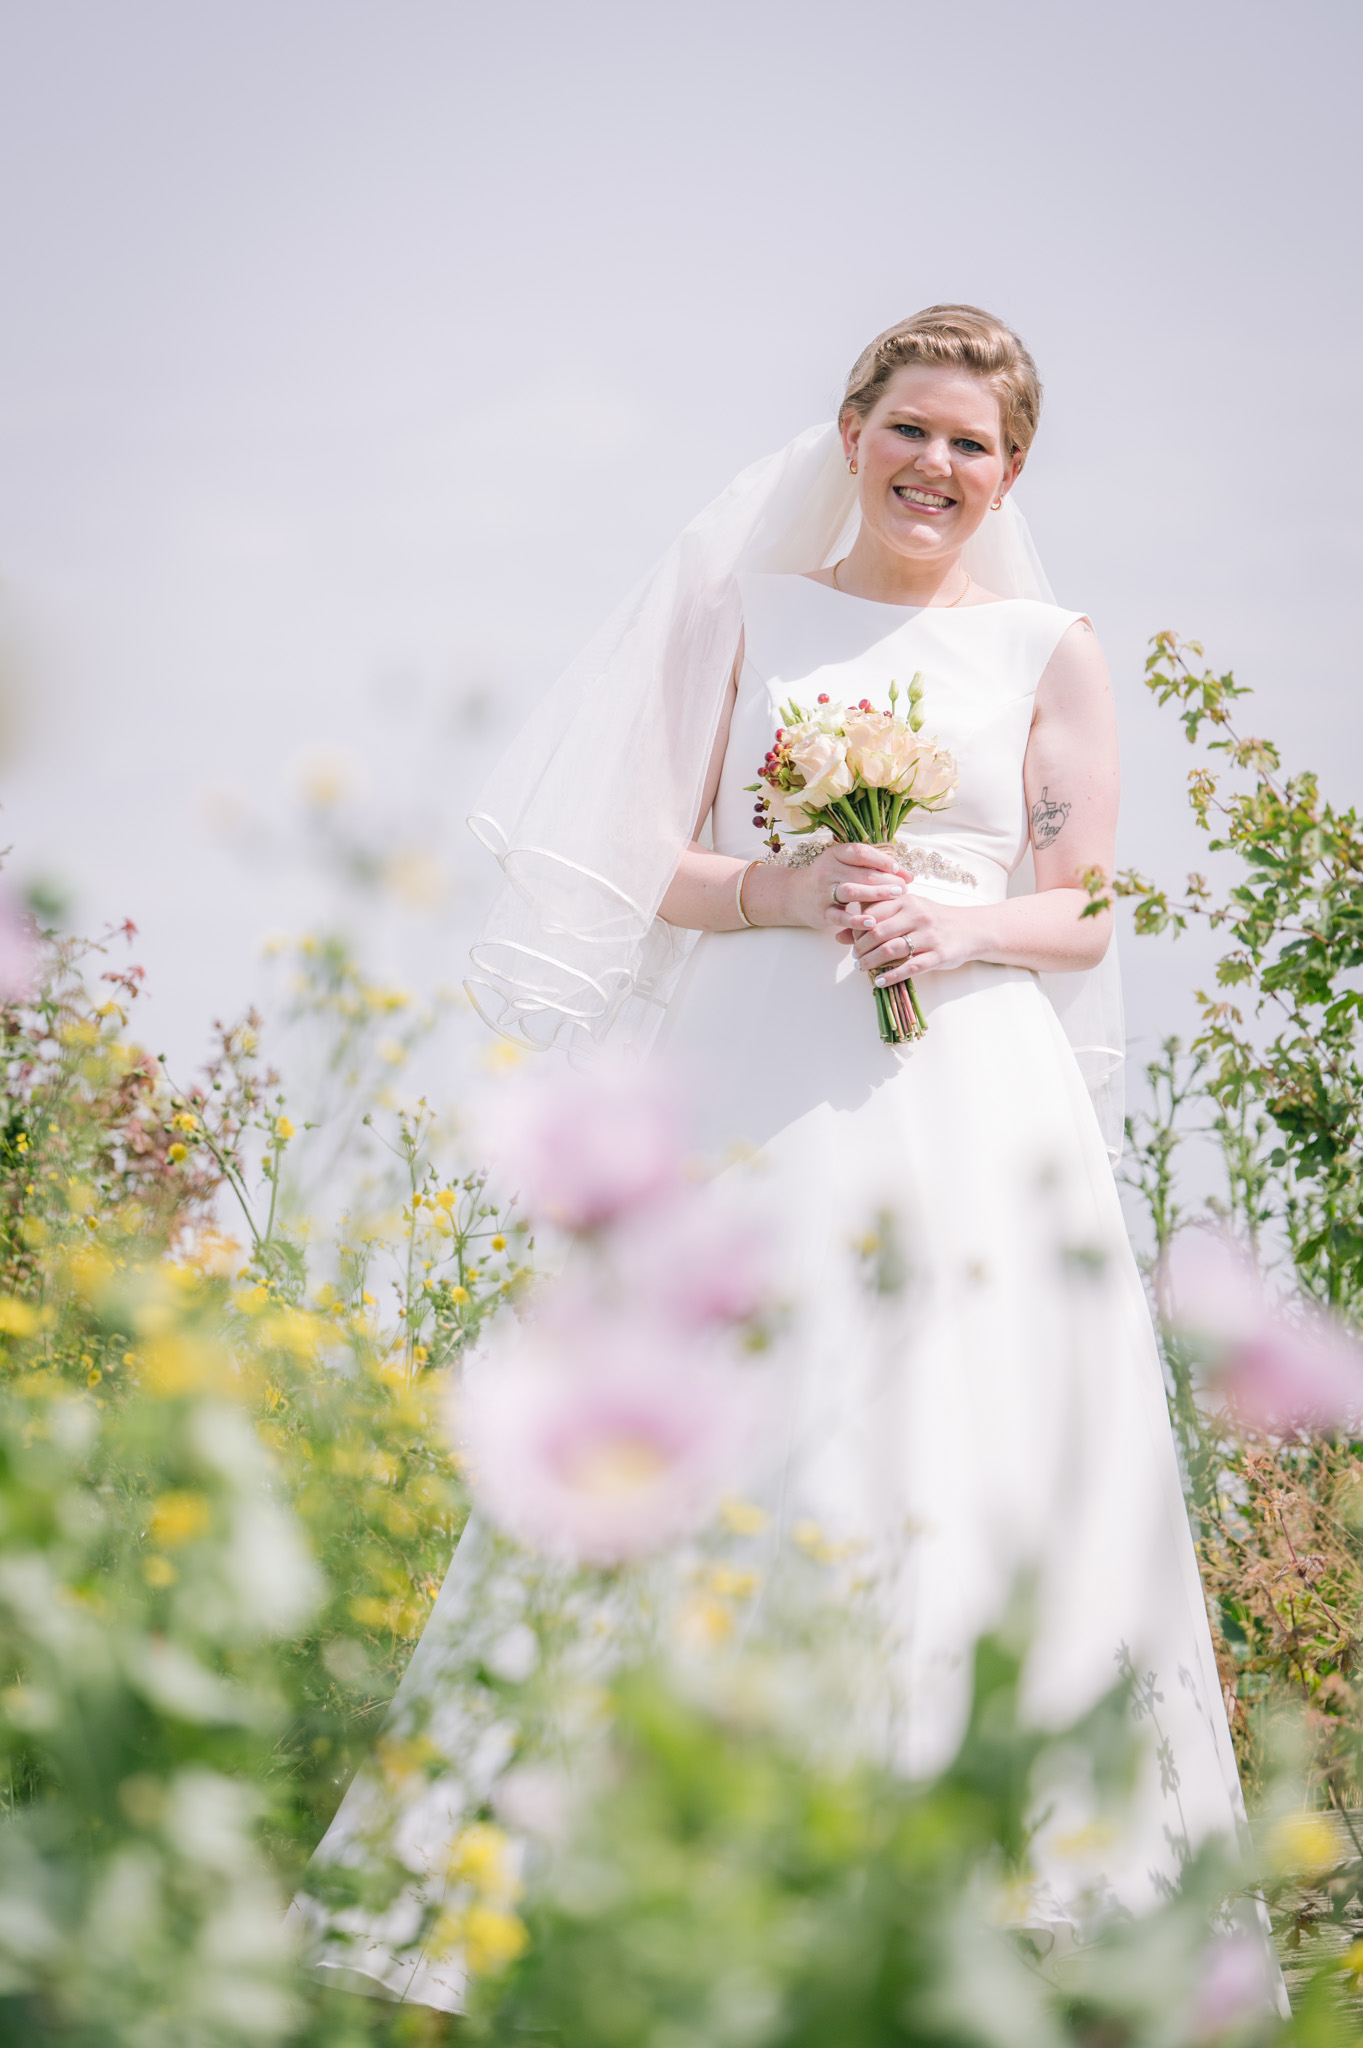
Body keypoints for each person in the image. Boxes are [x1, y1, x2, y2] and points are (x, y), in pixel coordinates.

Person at [294, 307, 1284, 2014]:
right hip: (754, 1075)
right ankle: (624, 1856)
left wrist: (956, 916)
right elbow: (636, 854)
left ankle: (995, 1888)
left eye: (973, 445)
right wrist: (783, 885)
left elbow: (1091, 900)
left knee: (965, 1441)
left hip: (975, 1091)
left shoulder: (1052, 646)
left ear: (1012, 473)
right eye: (911, 428)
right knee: (743, 1413)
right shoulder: (745, 615)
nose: (936, 466)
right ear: (851, 428)